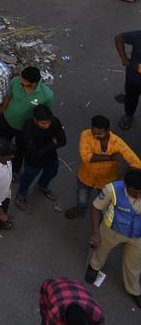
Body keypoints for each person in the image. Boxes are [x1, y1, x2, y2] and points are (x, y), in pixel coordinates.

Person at [65, 115, 141, 219]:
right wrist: (110, 158)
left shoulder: (118, 143)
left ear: (108, 130)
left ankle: (102, 216)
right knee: (82, 198)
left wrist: (127, 179)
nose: (96, 135)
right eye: (93, 132)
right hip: (86, 177)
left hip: (107, 182)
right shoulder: (86, 135)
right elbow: (86, 157)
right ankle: (80, 209)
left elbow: (136, 163)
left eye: (99, 134)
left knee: (104, 202)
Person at [86, 168, 141, 306]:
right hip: (112, 230)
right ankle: (94, 267)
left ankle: (133, 290)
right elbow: (96, 208)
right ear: (125, 184)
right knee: (101, 251)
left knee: (134, 264)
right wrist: (95, 232)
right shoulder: (112, 190)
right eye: (134, 192)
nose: (138, 195)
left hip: (137, 236)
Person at [0, 66, 55, 172]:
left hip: (25, 129)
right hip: (7, 120)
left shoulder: (47, 95)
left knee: (20, 150)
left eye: (24, 81)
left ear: (34, 83)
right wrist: (2, 110)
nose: (21, 81)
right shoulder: (16, 82)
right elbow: (8, 97)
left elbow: (44, 114)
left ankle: (15, 169)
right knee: (2, 142)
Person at [15, 105, 67, 209]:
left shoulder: (55, 122)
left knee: (52, 172)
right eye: (43, 123)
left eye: (49, 122)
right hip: (33, 161)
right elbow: (34, 153)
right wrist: (52, 144)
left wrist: (45, 148)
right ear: (35, 120)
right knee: (27, 178)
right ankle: (21, 194)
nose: (47, 126)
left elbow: (63, 141)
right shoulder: (29, 128)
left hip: (51, 157)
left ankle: (42, 186)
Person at [37, 277, 104, 325]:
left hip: (76, 290)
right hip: (54, 286)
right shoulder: (55, 312)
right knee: (45, 317)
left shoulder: (97, 314)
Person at [114, 30, 141, 130]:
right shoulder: (138, 36)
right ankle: (128, 115)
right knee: (131, 98)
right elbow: (118, 38)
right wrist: (123, 58)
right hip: (134, 79)